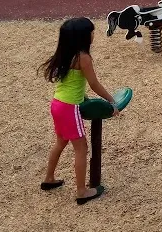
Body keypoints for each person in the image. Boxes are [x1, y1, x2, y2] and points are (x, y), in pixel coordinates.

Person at [39, 17, 119, 205]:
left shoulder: (66, 53)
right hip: (69, 108)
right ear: (83, 37)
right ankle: (82, 191)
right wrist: (112, 101)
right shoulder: (83, 57)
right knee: (81, 148)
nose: (93, 35)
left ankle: (49, 179)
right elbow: (94, 83)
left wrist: (85, 99)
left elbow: (73, 84)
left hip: (57, 104)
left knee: (60, 142)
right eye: (91, 32)